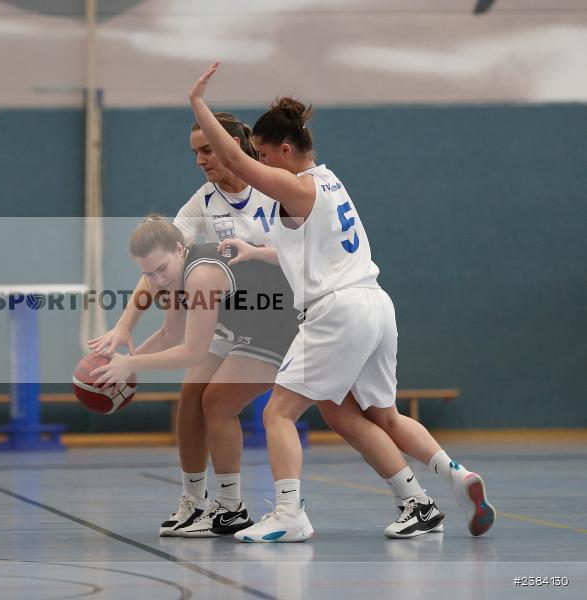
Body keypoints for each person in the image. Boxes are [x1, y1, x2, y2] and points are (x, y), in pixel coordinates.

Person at [189, 62, 495, 542]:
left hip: (337, 312)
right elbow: (307, 244)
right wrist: (254, 250)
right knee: (366, 414)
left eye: (266, 156)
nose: (262, 165)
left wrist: (198, 105)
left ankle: (289, 513)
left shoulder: (293, 184)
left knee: (278, 413)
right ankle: (444, 484)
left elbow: (237, 160)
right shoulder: (331, 182)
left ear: (285, 151)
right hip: (374, 303)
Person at [89, 115, 295, 537]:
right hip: (231, 317)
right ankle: (196, 501)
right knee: (192, 396)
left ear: (233, 144)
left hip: (281, 315)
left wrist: (134, 366)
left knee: (355, 410)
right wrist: (125, 333)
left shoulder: (275, 189)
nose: (200, 160)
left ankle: (413, 494)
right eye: (195, 152)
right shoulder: (199, 205)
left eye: (207, 149)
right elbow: (158, 266)